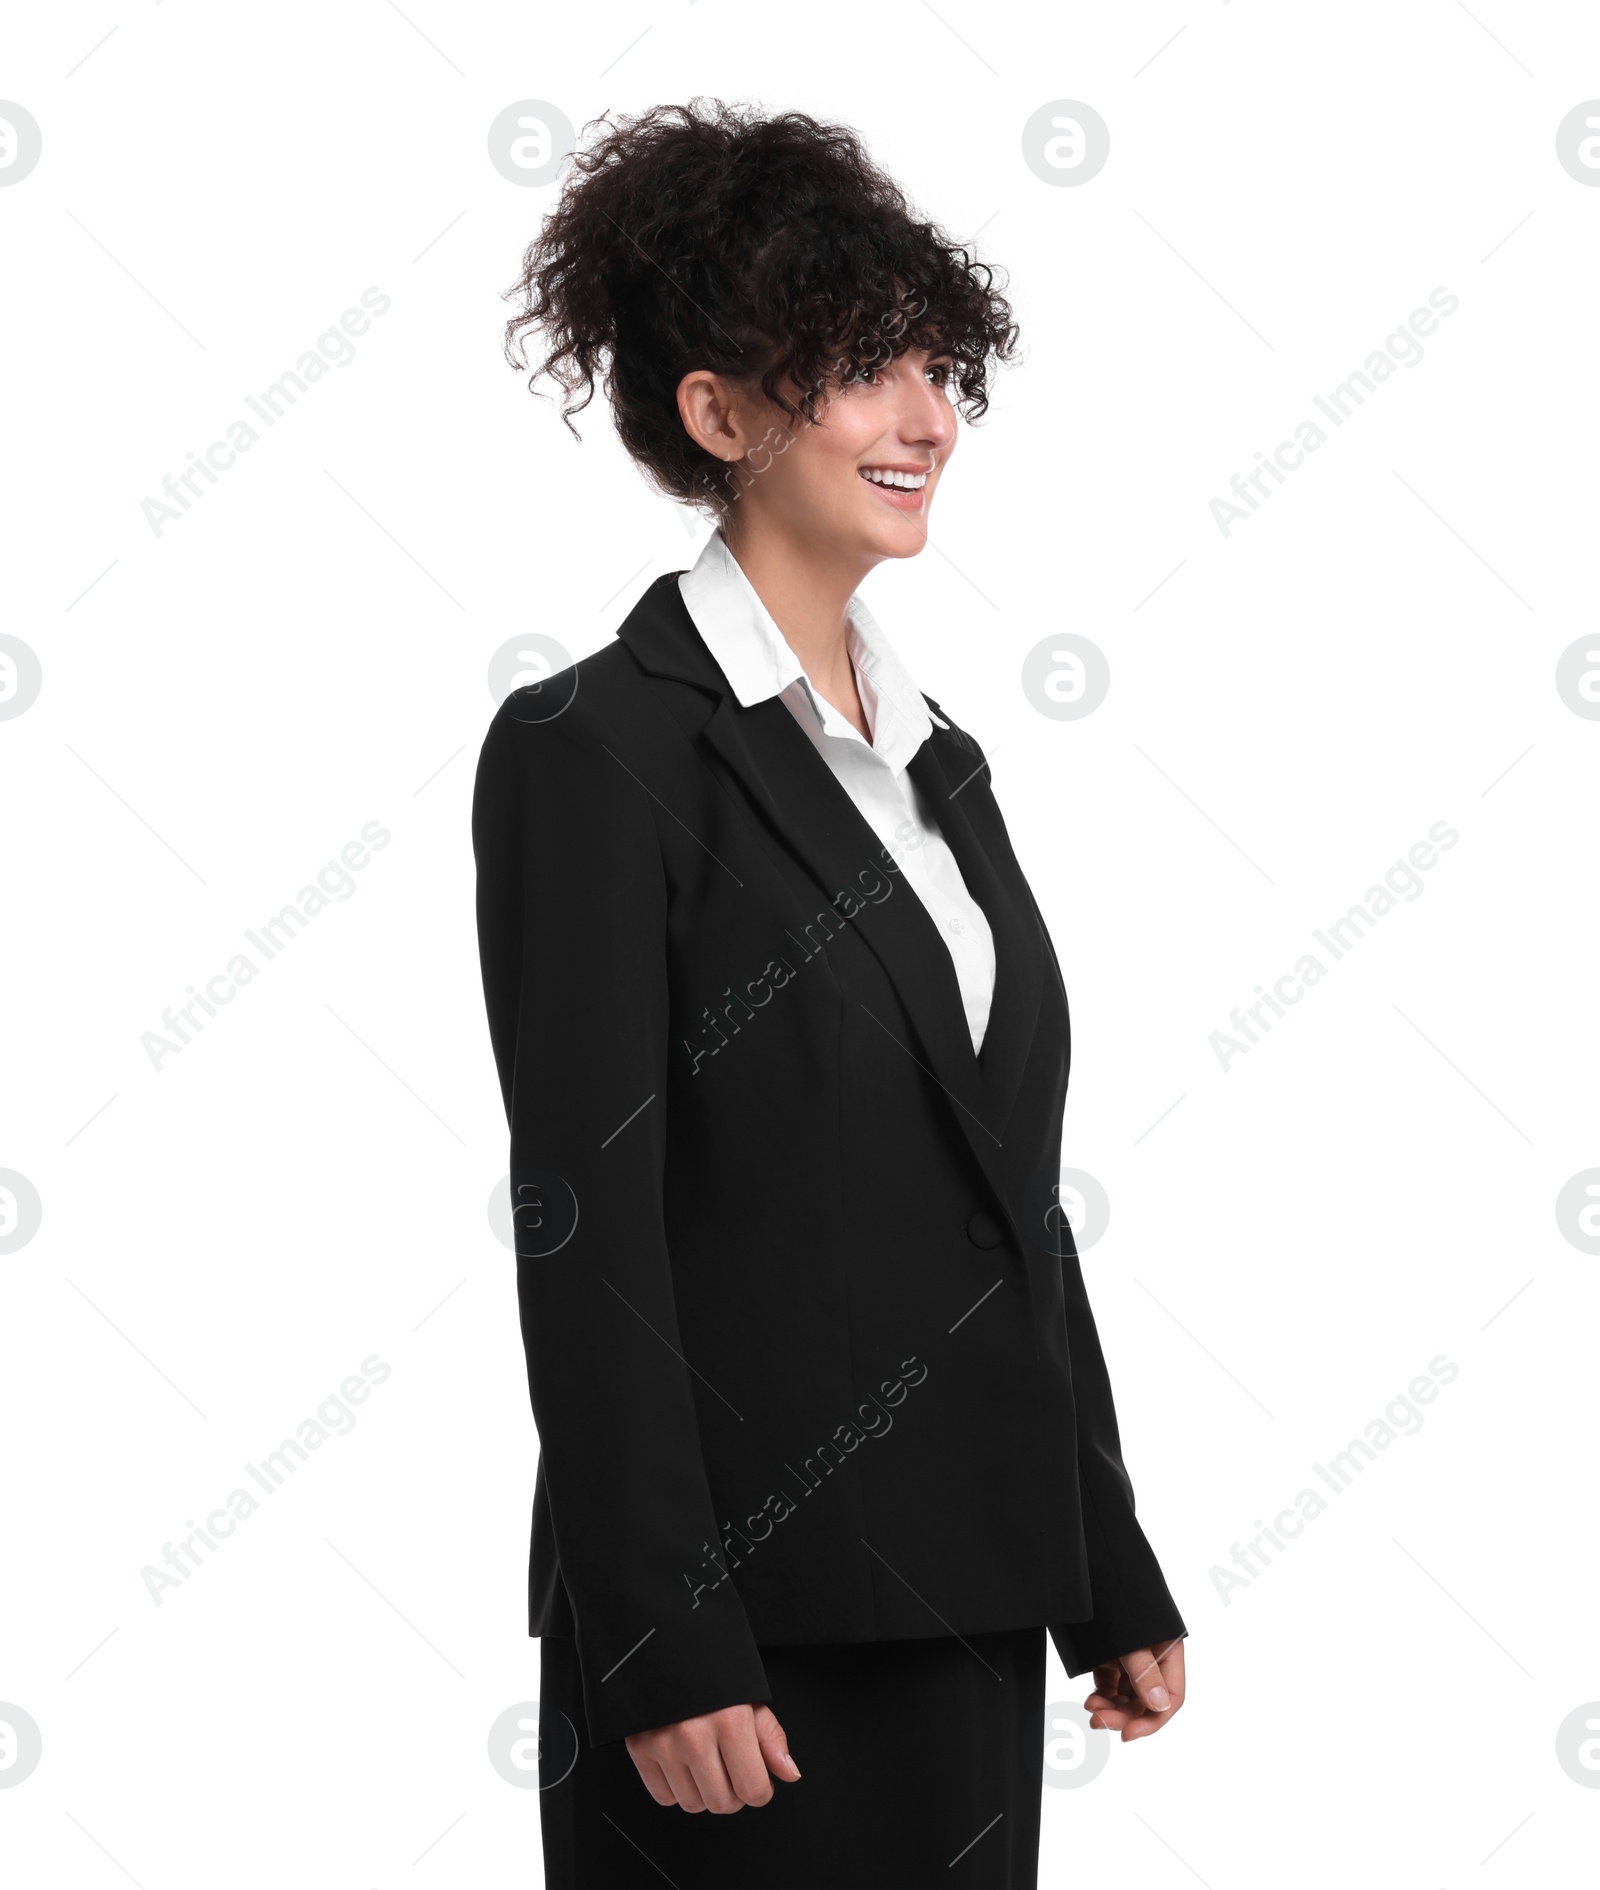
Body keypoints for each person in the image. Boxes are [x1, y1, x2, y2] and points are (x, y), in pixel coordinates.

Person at [473, 98, 1187, 1889]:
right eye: (865, 369)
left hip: (966, 1606)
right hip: (741, 1652)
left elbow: (1002, 1195)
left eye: (939, 365)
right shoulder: (595, 752)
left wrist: (1104, 1554)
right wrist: (662, 1634)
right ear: (717, 413)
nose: (928, 416)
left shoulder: (941, 766)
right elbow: (589, 1221)